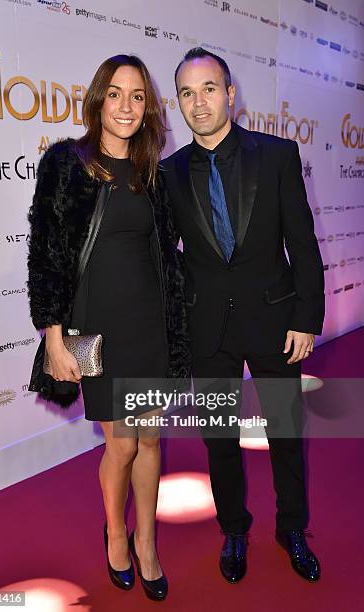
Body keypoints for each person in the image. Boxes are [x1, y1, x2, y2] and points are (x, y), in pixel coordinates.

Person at [27, 54, 190, 602]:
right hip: (94, 327)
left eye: (137, 96)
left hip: (148, 324)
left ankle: (147, 543)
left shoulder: (152, 172)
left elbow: (165, 256)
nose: (126, 106)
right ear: (99, 99)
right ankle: (115, 532)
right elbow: (46, 255)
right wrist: (53, 336)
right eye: (116, 94)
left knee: (150, 438)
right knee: (120, 445)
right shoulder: (67, 163)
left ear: (148, 108)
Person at [162, 48, 325, 583]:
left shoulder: (277, 155)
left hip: (277, 322)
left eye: (209, 88)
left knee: (285, 435)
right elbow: (165, 258)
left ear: (230, 94)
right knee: (218, 438)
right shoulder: (170, 173)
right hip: (208, 329)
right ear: (179, 103)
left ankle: (292, 528)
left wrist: (307, 318)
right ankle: (234, 528)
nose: (199, 101)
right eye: (188, 93)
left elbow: (302, 244)